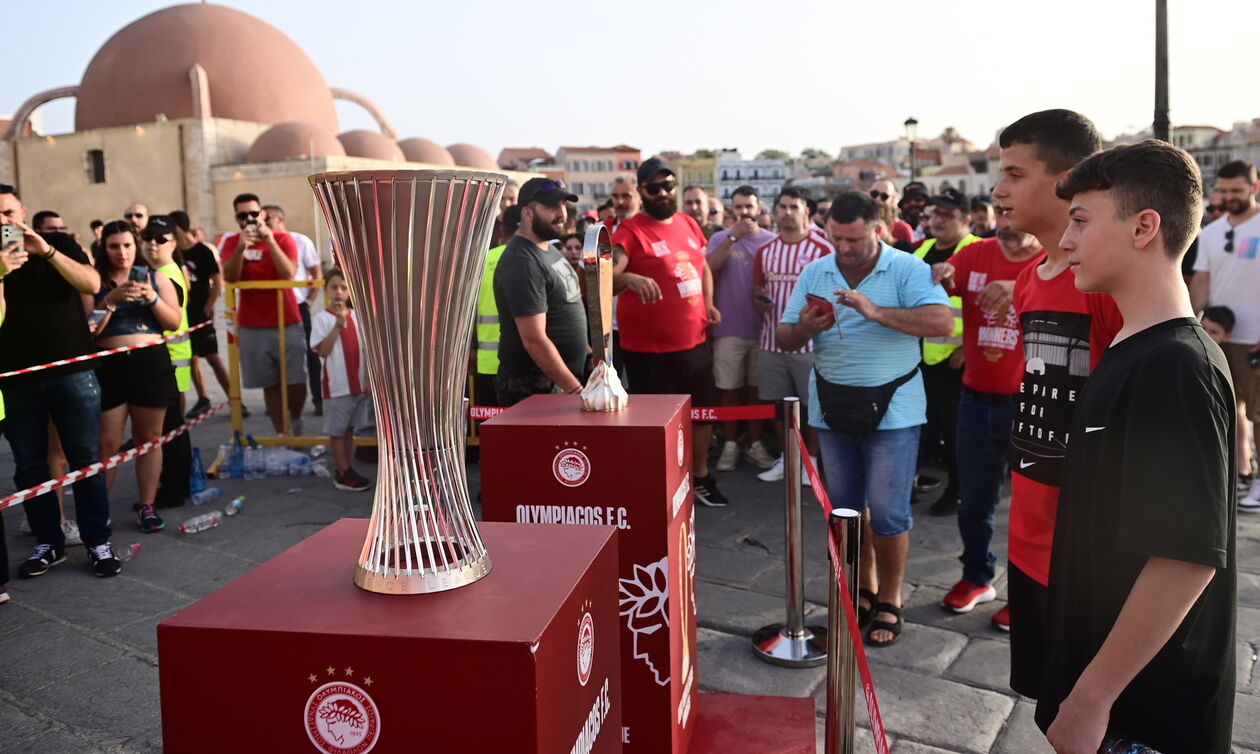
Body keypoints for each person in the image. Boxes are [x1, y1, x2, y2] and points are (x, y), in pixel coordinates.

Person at [1037, 139, 1236, 754]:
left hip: (1143, 718)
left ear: (1145, 226)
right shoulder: (1137, 346)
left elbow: (1185, 556)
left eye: (1080, 220)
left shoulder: (1175, 365)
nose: (1065, 240)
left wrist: (1092, 699)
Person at [776, 191, 952, 646]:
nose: (845, 248)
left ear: (879, 228)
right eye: (837, 237)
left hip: (894, 408)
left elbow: (941, 323)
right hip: (832, 405)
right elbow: (784, 334)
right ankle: (864, 588)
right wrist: (806, 329)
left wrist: (874, 312)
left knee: (889, 512)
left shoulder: (908, 268)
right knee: (847, 509)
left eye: (854, 239)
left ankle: (891, 598)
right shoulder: (817, 269)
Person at [990, 108, 1122, 693]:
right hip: (1028, 533)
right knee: (1052, 708)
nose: (998, 190)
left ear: (1068, 177)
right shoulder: (1028, 279)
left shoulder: (1110, 280)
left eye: (1016, 174)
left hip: (1093, 552)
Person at [0, 186, 121, 578]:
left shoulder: (57, 241)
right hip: (17, 378)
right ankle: (48, 542)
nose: (4, 222)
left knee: (85, 458)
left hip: (72, 371)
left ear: (23, 211)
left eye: (8, 213)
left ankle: (97, 541)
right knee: (29, 464)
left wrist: (46, 251)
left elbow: (90, 283)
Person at [931, 212, 1042, 625]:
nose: (1005, 223)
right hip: (975, 401)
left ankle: (1028, 594)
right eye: (1001, 215)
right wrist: (939, 274)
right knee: (974, 502)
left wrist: (1019, 288)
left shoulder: (1052, 260)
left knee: (1030, 510)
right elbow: (944, 279)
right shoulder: (975, 254)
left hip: (1030, 405)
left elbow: (1075, 293)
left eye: (1015, 216)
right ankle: (977, 576)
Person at [612, 156, 727, 507]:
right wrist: (627, 277)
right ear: (641, 192)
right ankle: (663, 484)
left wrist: (708, 303)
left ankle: (701, 475)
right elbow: (602, 278)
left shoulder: (689, 223)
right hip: (650, 350)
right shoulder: (629, 232)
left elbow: (702, 266)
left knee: (703, 413)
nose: (663, 192)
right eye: (654, 187)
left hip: (695, 340)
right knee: (659, 423)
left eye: (668, 185)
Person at [92, 220, 183, 532]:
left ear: (137, 246)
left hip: (149, 363)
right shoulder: (96, 282)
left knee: (149, 439)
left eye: (128, 245)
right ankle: (99, 510)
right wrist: (111, 302)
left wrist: (153, 299)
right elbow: (89, 330)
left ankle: (147, 504)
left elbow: (174, 322)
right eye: (114, 246)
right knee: (107, 442)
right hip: (110, 365)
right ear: (104, 249)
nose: (122, 252)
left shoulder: (155, 277)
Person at [1190, 160, 1260, 514]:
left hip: (1256, 340)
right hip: (1217, 338)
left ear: (1254, 188)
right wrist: (1191, 324)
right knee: (1224, 412)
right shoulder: (1212, 232)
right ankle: (1233, 475)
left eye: (1238, 191)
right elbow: (1201, 281)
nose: (1231, 197)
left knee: (1259, 414)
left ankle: (1259, 484)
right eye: (1226, 191)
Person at [752, 187, 833, 482]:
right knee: (777, 404)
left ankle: (809, 463)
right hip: (771, 340)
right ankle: (788, 458)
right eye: (782, 206)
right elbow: (758, 289)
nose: (787, 212)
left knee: (812, 407)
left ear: (806, 211)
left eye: (793, 207)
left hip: (810, 345)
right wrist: (760, 299)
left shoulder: (822, 248)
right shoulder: (766, 250)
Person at [913, 188, 981, 517]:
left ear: (966, 219)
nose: (937, 220)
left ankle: (958, 489)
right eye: (935, 214)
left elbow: (987, 310)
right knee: (931, 426)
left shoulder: (977, 251)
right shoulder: (923, 249)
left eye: (947, 215)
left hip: (958, 359)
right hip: (924, 356)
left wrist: (969, 348)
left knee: (957, 432)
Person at [492, 178, 587, 405]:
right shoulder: (522, 261)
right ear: (527, 213)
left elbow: (563, 307)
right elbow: (534, 339)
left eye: (563, 205)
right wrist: (576, 391)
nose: (561, 213)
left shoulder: (548, 248)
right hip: (534, 388)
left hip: (557, 383)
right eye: (551, 207)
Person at [220, 193, 306, 437]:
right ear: (236, 218)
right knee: (270, 383)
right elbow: (230, 278)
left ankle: (296, 418)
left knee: (296, 380)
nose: (249, 219)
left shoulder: (282, 238)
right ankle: (281, 433)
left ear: (263, 215)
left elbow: (288, 273)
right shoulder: (232, 243)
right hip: (252, 323)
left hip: (286, 319)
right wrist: (240, 249)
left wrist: (269, 241)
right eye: (242, 215)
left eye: (253, 214)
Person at [707, 186, 776, 473]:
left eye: (749, 206)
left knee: (757, 391)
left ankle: (755, 444)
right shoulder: (720, 238)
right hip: (729, 329)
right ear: (731, 209)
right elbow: (708, 268)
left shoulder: (773, 241)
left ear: (759, 208)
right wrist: (734, 236)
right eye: (739, 207)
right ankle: (731, 444)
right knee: (729, 390)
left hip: (763, 330)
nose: (744, 212)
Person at [140, 216, 195, 511]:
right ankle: (174, 485)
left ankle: (174, 489)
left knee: (172, 429)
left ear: (172, 244)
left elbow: (169, 320)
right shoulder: (162, 270)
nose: (152, 243)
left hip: (171, 360)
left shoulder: (166, 275)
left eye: (160, 239)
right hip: (170, 359)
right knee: (172, 427)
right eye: (147, 237)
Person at [309, 269, 373, 492]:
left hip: (357, 384)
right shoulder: (322, 319)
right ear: (326, 290)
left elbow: (365, 350)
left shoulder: (356, 316)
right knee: (337, 429)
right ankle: (342, 470)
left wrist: (366, 380)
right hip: (337, 385)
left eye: (343, 288)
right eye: (334, 287)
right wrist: (337, 325)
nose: (338, 292)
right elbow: (322, 351)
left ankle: (347, 467)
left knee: (349, 428)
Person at [170, 210, 238, 418]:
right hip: (183, 315)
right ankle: (203, 398)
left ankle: (235, 400)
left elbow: (218, 285)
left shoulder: (203, 251)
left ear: (179, 228)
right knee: (191, 358)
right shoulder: (175, 253)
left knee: (213, 357)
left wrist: (206, 312)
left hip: (201, 313)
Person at [263, 204, 324, 418]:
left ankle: (318, 399)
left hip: (297, 305)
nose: (262, 222)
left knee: (309, 354)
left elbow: (316, 272)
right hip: (272, 305)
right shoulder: (262, 243)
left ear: (279, 218)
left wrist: (309, 301)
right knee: (273, 355)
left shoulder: (300, 240)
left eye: (266, 217)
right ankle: (276, 403)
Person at [473, 205, 521, 409]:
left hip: (486, 363)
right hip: (523, 365)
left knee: (491, 431)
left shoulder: (481, 262)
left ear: (501, 229)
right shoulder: (528, 259)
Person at [868, 180, 913, 245]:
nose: (878, 198)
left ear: (894, 200)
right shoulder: (861, 225)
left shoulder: (903, 229)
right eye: (874, 194)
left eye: (884, 196)